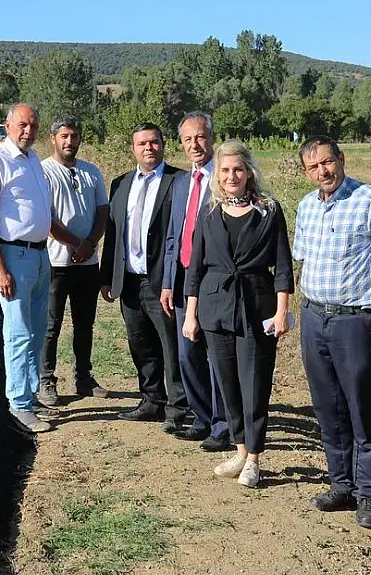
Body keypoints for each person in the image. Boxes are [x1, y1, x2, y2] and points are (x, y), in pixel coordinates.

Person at [293, 135, 371, 529]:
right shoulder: (307, 206)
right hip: (314, 317)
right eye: (314, 167)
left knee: (361, 408)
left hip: (354, 320)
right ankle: (340, 484)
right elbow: (302, 262)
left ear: (341, 159)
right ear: (306, 172)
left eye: (328, 162)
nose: (323, 171)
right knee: (328, 407)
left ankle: (370, 496)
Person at [182, 140, 294, 488]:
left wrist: (282, 312)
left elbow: (282, 267)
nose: (232, 177)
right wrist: (191, 314)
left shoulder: (269, 211)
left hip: (257, 308)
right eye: (225, 171)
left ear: (249, 173)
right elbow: (195, 269)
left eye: (238, 170)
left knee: (255, 385)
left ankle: (256, 458)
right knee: (228, 384)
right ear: (218, 175)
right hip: (216, 309)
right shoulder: (209, 214)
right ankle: (241, 451)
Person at [0, 103, 59, 433]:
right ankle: (19, 404)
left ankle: (30, 394)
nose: (28, 131)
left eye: (34, 126)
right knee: (18, 332)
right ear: (8, 126)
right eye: (22, 125)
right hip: (15, 257)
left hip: (40, 255)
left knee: (37, 331)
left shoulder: (33, 160)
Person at [99, 123, 188, 432]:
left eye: (154, 142)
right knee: (140, 344)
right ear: (133, 149)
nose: (149, 148)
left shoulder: (179, 181)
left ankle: (178, 408)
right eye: (142, 144)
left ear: (163, 145)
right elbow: (113, 232)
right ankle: (151, 401)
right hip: (129, 280)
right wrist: (107, 276)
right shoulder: (120, 183)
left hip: (162, 282)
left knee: (170, 346)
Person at [160, 112, 231, 451]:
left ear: (212, 138)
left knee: (216, 357)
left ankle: (223, 424)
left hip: (213, 281)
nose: (194, 145)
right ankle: (202, 417)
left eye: (200, 137)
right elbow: (174, 236)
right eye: (188, 139)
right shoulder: (181, 183)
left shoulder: (226, 178)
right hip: (183, 279)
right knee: (188, 354)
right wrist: (167, 282)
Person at [38, 115, 110, 406]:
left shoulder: (91, 172)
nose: (70, 141)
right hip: (56, 263)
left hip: (88, 263)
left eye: (74, 135)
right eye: (64, 136)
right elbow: (47, 218)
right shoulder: (43, 172)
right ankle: (46, 381)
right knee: (51, 325)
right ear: (53, 139)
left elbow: (102, 211)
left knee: (84, 323)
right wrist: (75, 244)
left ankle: (83, 377)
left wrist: (90, 243)